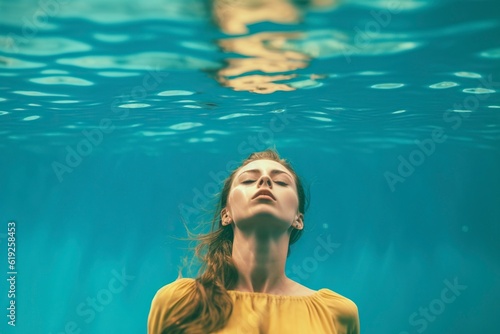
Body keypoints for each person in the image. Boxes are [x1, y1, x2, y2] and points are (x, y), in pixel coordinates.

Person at [148, 149, 360, 333]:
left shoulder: (337, 313)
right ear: (226, 214)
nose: (265, 181)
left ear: (299, 219)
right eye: (249, 180)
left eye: (281, 182)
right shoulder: (178, 301)